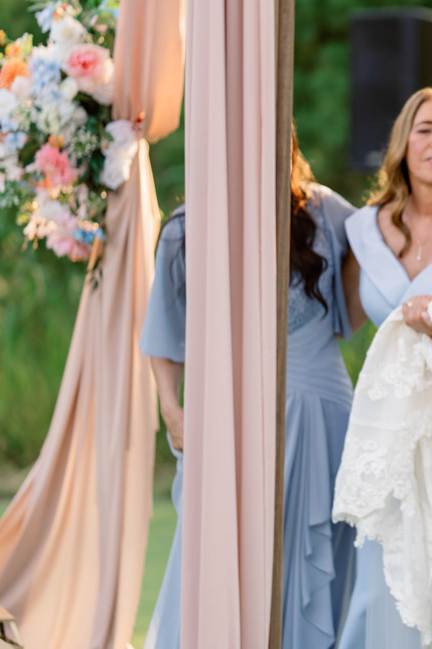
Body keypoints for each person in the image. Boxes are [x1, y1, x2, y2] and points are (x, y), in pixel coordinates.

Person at [140, 127, 358, 649]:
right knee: (215, 550)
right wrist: (171, 408)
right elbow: (164, 335)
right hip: (225, 416)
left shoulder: (325, 210)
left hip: (323, 411)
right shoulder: (185, 228)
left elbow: (387, 246)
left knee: (321, 558)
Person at [332, 86, 432, 649]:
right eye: (426, 129)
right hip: (392, 434)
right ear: (404, 142)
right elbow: (342, 317)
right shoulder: (362, 228)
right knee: (383, 589)